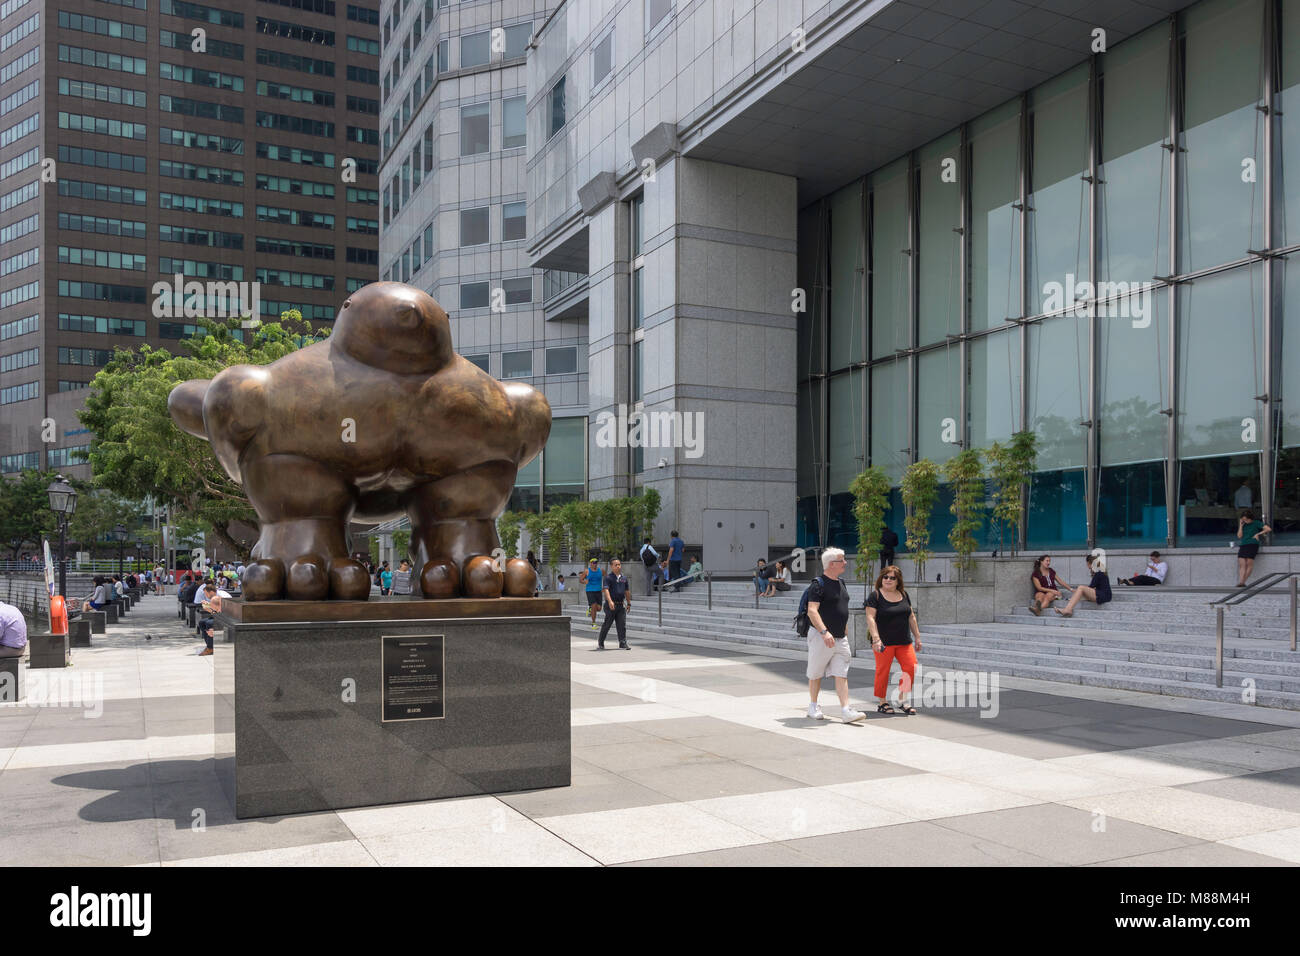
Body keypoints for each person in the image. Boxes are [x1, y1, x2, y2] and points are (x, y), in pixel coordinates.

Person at [804, 548, 867, 723]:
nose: (845, 563)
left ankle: (846, 710)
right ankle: (813, 705)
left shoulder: (841, 582)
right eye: (842, 560)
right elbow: (812, 611)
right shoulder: (817, 584)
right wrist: (824, 632)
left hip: (840, 637)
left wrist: (844, 627)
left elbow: (841, 607)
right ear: (832, 564)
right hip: (821, 636)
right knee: (816, 673)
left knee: (842, 673)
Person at [864, 565, 922, 715]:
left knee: (911, 667)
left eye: (892, 578)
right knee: (883, 671)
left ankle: (902, 700)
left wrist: (917, 637)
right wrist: (876, 639)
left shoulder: (903, 594)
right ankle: (882, 702)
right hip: (883, 642)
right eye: (885, 577)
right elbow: (870, 618)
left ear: (898, 581)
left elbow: (911, 616)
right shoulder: (875, 596)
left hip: (904, 641)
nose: (888, 580)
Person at [1056, 551, 1111, 617]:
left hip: (1104, 595)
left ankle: (1068, 609)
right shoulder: (1099, 570)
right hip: (1103, 595)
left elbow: (1091, 587)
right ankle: (1068, 608)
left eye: (1087, 563)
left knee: (1081, 588)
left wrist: (1078, 593)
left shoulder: (1098, 571)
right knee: (1080, 590)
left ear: (1089, 563)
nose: (1087, 565)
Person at [598, 557, 631, 650]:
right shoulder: (608, 578)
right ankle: (601, 642)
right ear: (611, 566)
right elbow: (606, 590)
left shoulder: (624, 578)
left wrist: (629, 603)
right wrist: (610, 601)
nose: (618, 566)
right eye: (616, 565)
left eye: (619, 564)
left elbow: (627, 591)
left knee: (622, 625)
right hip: (611, 605)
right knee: (607, 624)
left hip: (621, 605)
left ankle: (623, 642)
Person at [1235, 509, 1271, 588]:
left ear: (1250, 518)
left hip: (1252, 544)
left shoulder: (1256, 523)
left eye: (1246, 519)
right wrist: (1240, 525)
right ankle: (1241, 581)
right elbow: (1239, 536)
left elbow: (1268, 529)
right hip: (1244, 544)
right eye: (1243, 519)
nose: (1245, 521)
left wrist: (1258, 534)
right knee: (1242, 563)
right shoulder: (1243, 525)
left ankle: (1242, 582)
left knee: (1249, 562)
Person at [196, 583, 221, 657]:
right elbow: (217, 612)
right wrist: (209, 607)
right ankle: (209, 646)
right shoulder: (215, 597)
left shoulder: (219, 596)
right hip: (221, 615)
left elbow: (221, 614)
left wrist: (209, 608)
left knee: (209, 624)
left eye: (206, 594)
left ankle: (210, 648)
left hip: (228, 618)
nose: (206, 596)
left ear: (211, 592)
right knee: (202, 622)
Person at [580, 558, 603, 629]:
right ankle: (593, 623)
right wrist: (584, 582)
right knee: (594, 606)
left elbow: (607, 577)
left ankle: (590, 608)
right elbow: (580, 580)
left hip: (598, 591)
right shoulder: (587, 571)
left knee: (599, 608)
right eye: (593, 563)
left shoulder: (601, 570)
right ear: (590, 563)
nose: (594, 564)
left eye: (596, 562)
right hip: (590, 591)